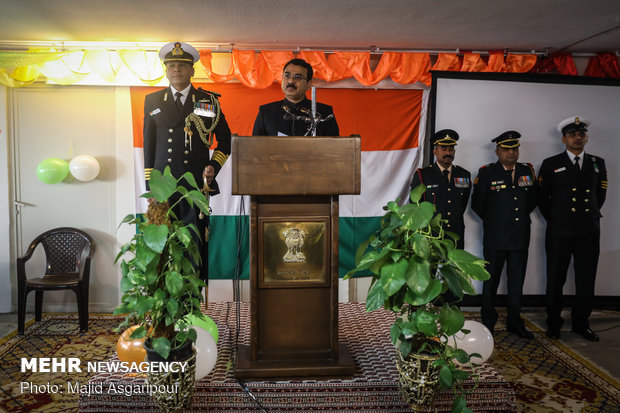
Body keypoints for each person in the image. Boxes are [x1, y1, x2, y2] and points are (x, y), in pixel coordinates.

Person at [143, 41, 231, 282]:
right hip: (163, 188)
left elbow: (225, 141)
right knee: (161, 241)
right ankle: (163, 305)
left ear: (192, 70)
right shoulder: (152, 101)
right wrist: (151, 187)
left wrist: (215, 166)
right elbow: (148, 145)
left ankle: (192, 300)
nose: (176, 70)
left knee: (194, 243)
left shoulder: (206, 101)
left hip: (195, 188)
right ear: (165, 70)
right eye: (171, 66)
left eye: (182, 66)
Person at [538, 116, 607, 342]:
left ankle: (581, 323)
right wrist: (557, 218)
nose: (578, 138)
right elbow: (543, 199)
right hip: (560, 230)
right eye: (573, 134)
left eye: (581, 134)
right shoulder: (551, 163)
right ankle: (554, 323)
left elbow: (600, 196)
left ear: (586, 137)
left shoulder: (597, 163)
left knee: (586, 278)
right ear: (563, 138)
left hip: (588, 230)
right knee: (555, 277)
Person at [472, 131, 537, 339]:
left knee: (516, 282)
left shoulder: (527, 171)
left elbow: (533, 200)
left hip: (520, 236)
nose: (511, 153)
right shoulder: (487, 173)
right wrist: (496, 221)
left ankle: (514, 321)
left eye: (514, 148)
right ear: (497, 151)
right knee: (490, 282)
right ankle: (488, 321)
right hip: (495, 237)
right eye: (507, 149)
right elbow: (478, 205)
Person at [410, 129, 471, 249]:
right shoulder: (423, 175)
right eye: (443, 149)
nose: (448, 152)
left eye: (451, 149)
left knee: (453, 267)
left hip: (455, 233)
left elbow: (462, 203)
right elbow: (416, 205)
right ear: (435, 151)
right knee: (431, 267)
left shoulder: (464, 174)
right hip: (431, 233)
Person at [252, 58, 339, 136]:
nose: (290, 81)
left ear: (309, 84)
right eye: (287, 76)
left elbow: (335, 148)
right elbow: (255, 148)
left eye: (298, 77)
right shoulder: (266, 112)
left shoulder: (324, 112)